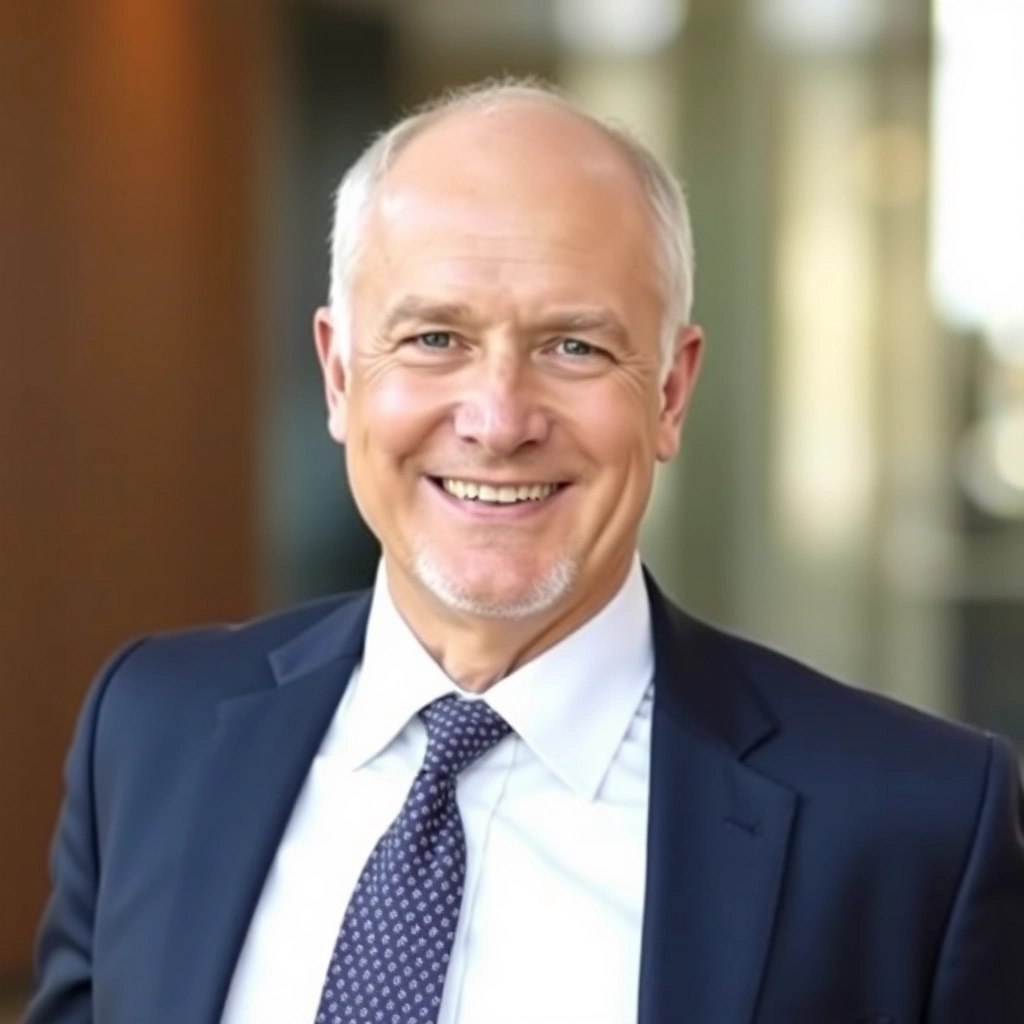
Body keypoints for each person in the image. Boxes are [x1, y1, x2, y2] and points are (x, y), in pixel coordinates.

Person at [26, 79, 1024, 1024]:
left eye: (573, 346)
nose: (498, 420)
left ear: (670, 392)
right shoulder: (150, 731)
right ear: (337, 374)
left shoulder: (912, 827)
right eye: (433, 339)